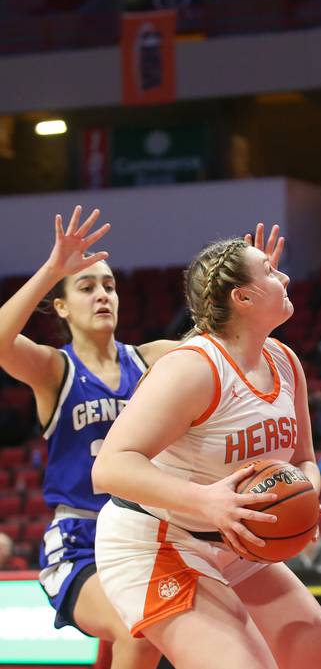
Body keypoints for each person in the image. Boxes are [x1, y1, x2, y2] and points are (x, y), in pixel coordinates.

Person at [90, 225, 321, 669]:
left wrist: (306, 495)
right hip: (155, 541)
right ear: (242, 299)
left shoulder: (285, 362)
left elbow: (304, 458)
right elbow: (109, 468)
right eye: (270, 272)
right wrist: (208, 501)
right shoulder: (193, 368)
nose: (285, 278)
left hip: (234, 539)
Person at [0, 206, 176, 668]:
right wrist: (52, 270)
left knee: (150, 633)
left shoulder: (153, 359)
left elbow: (223, 352)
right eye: (87, 286)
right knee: (138, 629)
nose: (103, 295)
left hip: (146, 535)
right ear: (60, 306)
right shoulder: (54, 370)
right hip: (81, 540)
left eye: (110, 286)